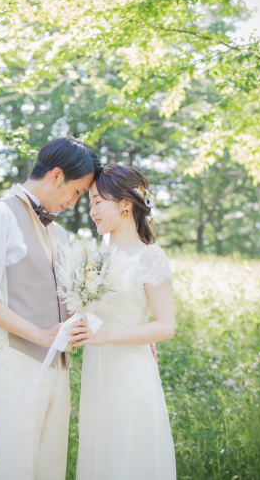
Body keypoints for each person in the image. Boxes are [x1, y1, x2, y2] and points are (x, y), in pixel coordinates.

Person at [0, 137, 101, 480]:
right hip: (17, 360)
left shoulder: (60, 234)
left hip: (59, 365)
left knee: (51, 467)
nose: (74, 203)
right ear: (56, 175)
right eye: (76, 191)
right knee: (18, 466)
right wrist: (40, 335)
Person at [68, 163, 177, 480]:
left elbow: (165, 327)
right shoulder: (94, 256)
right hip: (97, 375)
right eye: (89, 203)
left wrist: (108, 336)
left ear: (126, 204)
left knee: (128, 459)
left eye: (98, 201)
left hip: (131, 375)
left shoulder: (150, 257)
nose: (91, 211)